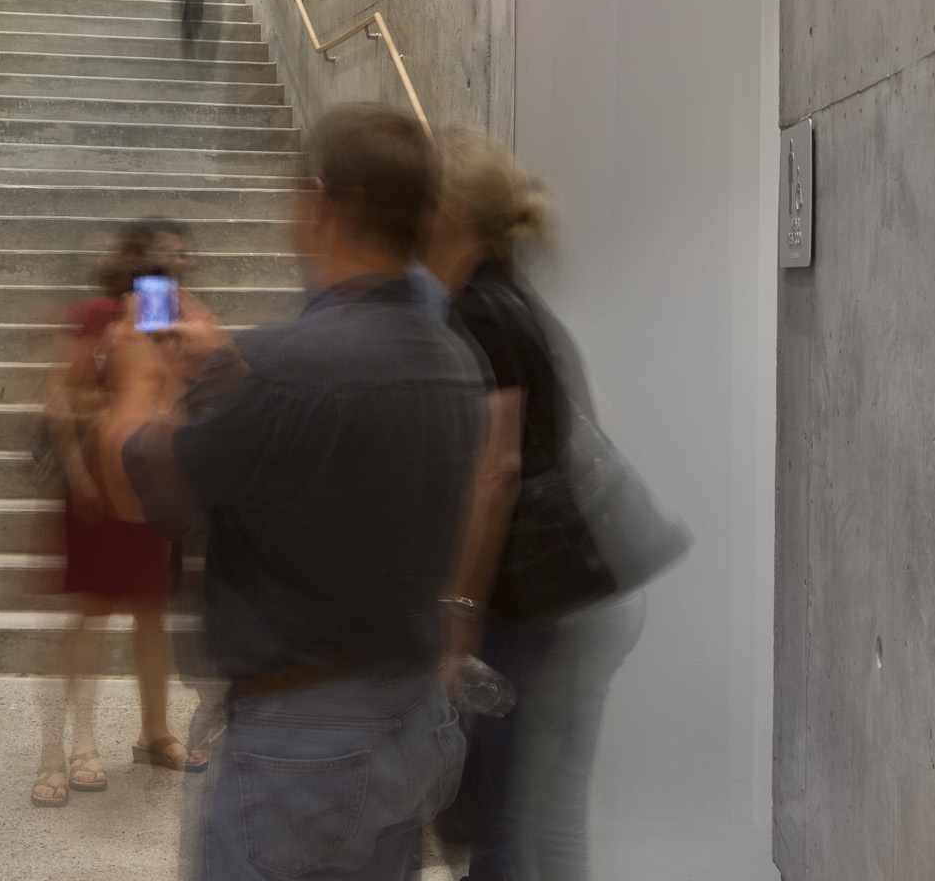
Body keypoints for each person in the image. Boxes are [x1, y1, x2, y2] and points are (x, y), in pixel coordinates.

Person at [109, 104, 486, 881]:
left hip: (301, 748)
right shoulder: (453, 360)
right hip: (411, 715)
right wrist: (222, 373)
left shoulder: (280, 369)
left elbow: (137, 488)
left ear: (323, 206)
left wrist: (142, 380)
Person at [426, 129, 645, 881]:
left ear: (446, 210)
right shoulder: (513, 299)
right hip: (576, 596)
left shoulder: (479, 312)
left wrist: (457, 616)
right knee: (543, 819)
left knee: (505, 826)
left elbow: (497, 469)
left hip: (528, 607)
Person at [32, 223, 202, 806]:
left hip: (147, 482)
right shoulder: (95, 314)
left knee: (151, 610)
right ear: (136, 258)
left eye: (181, 254)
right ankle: (65, 747)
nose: (179, 259)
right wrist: (83, 470)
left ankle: (154, 731)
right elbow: (61, 396)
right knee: (92, 613)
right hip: (97, 485)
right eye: (167, 252)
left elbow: (173, 391)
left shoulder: (168, 315)